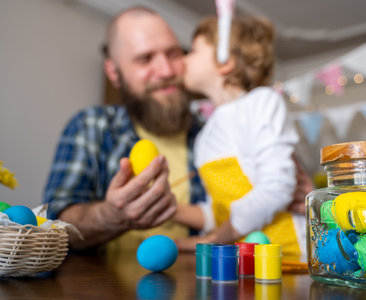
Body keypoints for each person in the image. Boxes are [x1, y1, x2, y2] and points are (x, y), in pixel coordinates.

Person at [43, 6, 312, 251]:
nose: (168, 69)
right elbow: (53, 227)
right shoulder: (91, 127)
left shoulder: (208, 128)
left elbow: (274, 186)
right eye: (145, 59)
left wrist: (311, 199)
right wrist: (119, 213)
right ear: (114, 72)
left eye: (177, 53)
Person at [173, 16, 307, 259]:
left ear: (225, 62)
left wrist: (214, 239)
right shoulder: (204, 135)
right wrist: (172, 209)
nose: (183, 60)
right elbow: (221, 211)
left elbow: (277, 188)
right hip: (238, 264)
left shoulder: (262, 102)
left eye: (192, 51)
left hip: (287, 259)